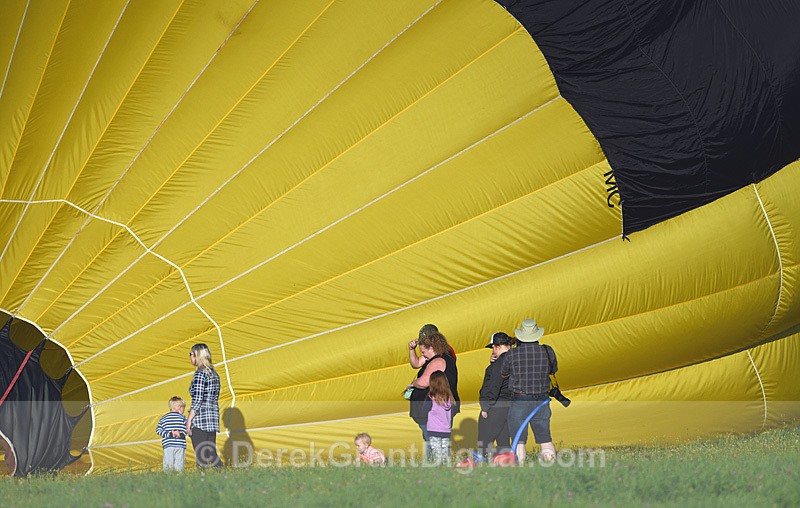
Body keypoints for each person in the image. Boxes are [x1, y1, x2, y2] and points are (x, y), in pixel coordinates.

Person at [501, 318, 558, 462]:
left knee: (519, 440)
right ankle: (551, 465)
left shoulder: (512, 354)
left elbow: (503, 373)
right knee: (544, 437)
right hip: (541, 400)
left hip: (519, 399)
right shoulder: (547, 350)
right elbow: (553, 370)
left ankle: (520, 467)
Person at [407, 332, 460, 460]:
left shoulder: (438, 360)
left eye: (424, 352)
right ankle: (439, 462)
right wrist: (411, 350)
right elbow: (416, 363)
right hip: (438, 411)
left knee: (433, 442)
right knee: (438, 442)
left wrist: (414, 383)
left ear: (432, 348)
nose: (423, 355)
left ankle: (433, 463)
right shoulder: (436, 357)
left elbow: (425, 382)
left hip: (433, 413)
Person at [476, 332, 514, 461]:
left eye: (493, 347)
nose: (492, 351)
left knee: (485, 439)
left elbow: (494, 387)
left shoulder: (500, 363)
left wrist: (485, 407)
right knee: (504, 439)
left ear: (497, 346)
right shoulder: (515, 358)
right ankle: (506, 461)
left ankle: (481, 461)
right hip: (511, 404)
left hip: (497, 404)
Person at [186, 343, 222, 468]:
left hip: (201, 419)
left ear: (197, 355)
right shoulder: (214, 374)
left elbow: (198, 399)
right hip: (212, 419)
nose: (190, 357)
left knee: (201, 455)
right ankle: (223, 474)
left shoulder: (200, 374)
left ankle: (201, 481)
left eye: (190, 354)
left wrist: (189, 420)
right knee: (211, 453)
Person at [423, 371, 454, 465]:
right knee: (445, 454)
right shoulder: (449, 398)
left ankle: (439, 470)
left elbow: (424, 410)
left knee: (437, 454)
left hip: (434, 430)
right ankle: (447, 470)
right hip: (446, 430)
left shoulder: (431, 398)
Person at [156, 396, 188, 472]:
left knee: (168, 465)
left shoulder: (164, 418)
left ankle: (168, 480)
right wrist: (180, 434)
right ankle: (179, 480)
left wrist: (169, 434)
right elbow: (188, 428)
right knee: (179, 465)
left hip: (168, 445)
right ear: (178, 407)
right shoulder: (183, 418)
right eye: (183, 407)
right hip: (180, 445)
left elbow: (158, 430)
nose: (183, 409)